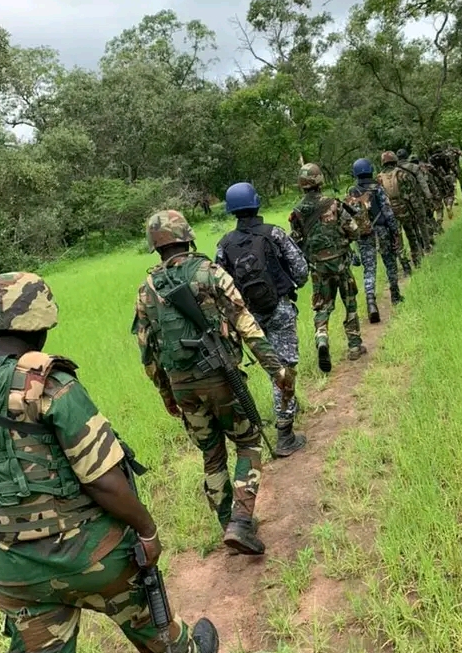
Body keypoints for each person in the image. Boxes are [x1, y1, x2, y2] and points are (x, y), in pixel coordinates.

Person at [0, 272, 219, 653]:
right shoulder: (52, 385)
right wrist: (147, 530)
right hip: (93, 555)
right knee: (153, 623)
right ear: (40, 320)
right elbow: (103, 479)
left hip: (16, 571)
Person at [133, 210, 294, 557]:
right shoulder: (210, 273)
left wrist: (166, 393)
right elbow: (245, 324)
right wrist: (276, 370)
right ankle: (240, 520)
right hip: (220, 378)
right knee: (249, 442)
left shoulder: (146, 290)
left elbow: (147, 354)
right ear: (187, 237)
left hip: (181, 385)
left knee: (211, 454)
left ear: (155, 247)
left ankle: (228, 526)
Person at [216, 182, 308, 458]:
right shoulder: (274, 234)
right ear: (257, 203)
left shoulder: (224, 244)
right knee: (285, 367)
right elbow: (301, 272)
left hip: (247, 317)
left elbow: (219, 287)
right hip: (279, 308)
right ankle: (285, 434)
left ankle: (286, 405)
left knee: (272, 368)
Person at [289, 163, 365, 373]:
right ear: (320, 181)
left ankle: (322, 338)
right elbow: (354, 231)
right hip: (341, 263)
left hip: (318, 269)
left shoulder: (297, 212)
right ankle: (354, 345)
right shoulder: (334, 204)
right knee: (349, 302)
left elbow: (295, 242)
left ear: (302, 185)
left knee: (322, 307)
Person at [347, 157, 405, 323]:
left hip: (364, 235)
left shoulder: (352, 191)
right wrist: (395, 231)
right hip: (382, 231)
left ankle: (371, 302)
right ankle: (395, 295)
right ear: (370, 170)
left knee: (369, 269)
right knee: (390, 262)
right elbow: (388, 212)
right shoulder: (377, 188)